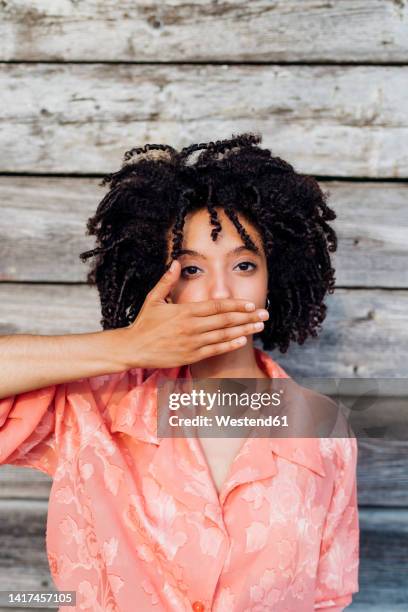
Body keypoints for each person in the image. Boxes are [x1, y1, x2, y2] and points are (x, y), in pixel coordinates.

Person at [0, 132, 359, 611]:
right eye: (191, 270)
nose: (220, 293)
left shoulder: (324, 428)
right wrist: (127, 346)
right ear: (161, 283)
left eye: (245, 265)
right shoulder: (90, 410)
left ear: (275, 279)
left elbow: (326, 598)